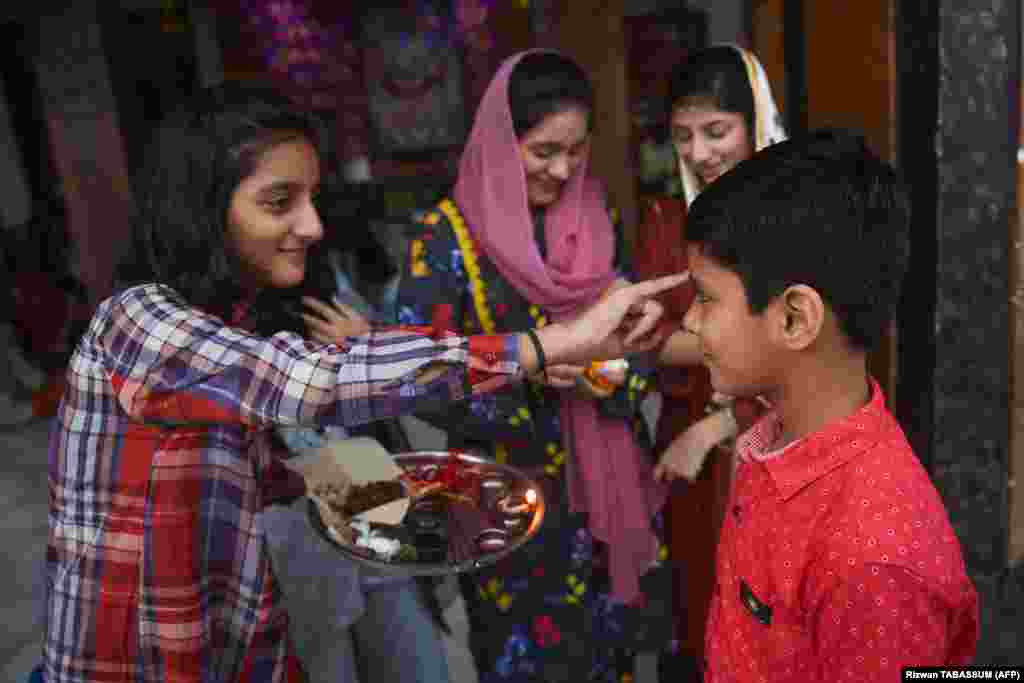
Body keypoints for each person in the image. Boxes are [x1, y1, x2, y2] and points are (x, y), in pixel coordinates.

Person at [39, 81, 683, 683]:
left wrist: (395, 493)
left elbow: (251, 465)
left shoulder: (232, 314)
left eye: (312, 200)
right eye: (278, 202)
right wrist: (552, 345)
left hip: (234, 639)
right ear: (200, 209)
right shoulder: (137, 322)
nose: (315, 228)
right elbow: (308, 384)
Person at [397, 50, 676, 682]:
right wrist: (529, 365)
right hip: (508, 509)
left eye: (576, 151)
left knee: (616, 659)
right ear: (502, 141)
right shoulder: (445, 239)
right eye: (544, 151)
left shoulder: (593, 216)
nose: (563, 168)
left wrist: (618, 359)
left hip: (604, 499)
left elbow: (631, 334)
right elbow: (415, 376)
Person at [684, 127, 978, 680]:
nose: (690, 320)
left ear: (795, 318)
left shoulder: (874, 564)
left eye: (705, 297)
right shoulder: (777, 433)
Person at [633, 45, 786, 675]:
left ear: (755, 122)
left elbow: (808, 347)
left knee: (772, 612)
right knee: (702, 604)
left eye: (717, 131)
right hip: (685, 440)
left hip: (773, 437)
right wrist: (753, 338)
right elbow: (651, 342)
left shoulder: (795, 214)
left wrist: (720, 422)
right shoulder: (668, 218)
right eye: (683, 135)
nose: (699, 153)